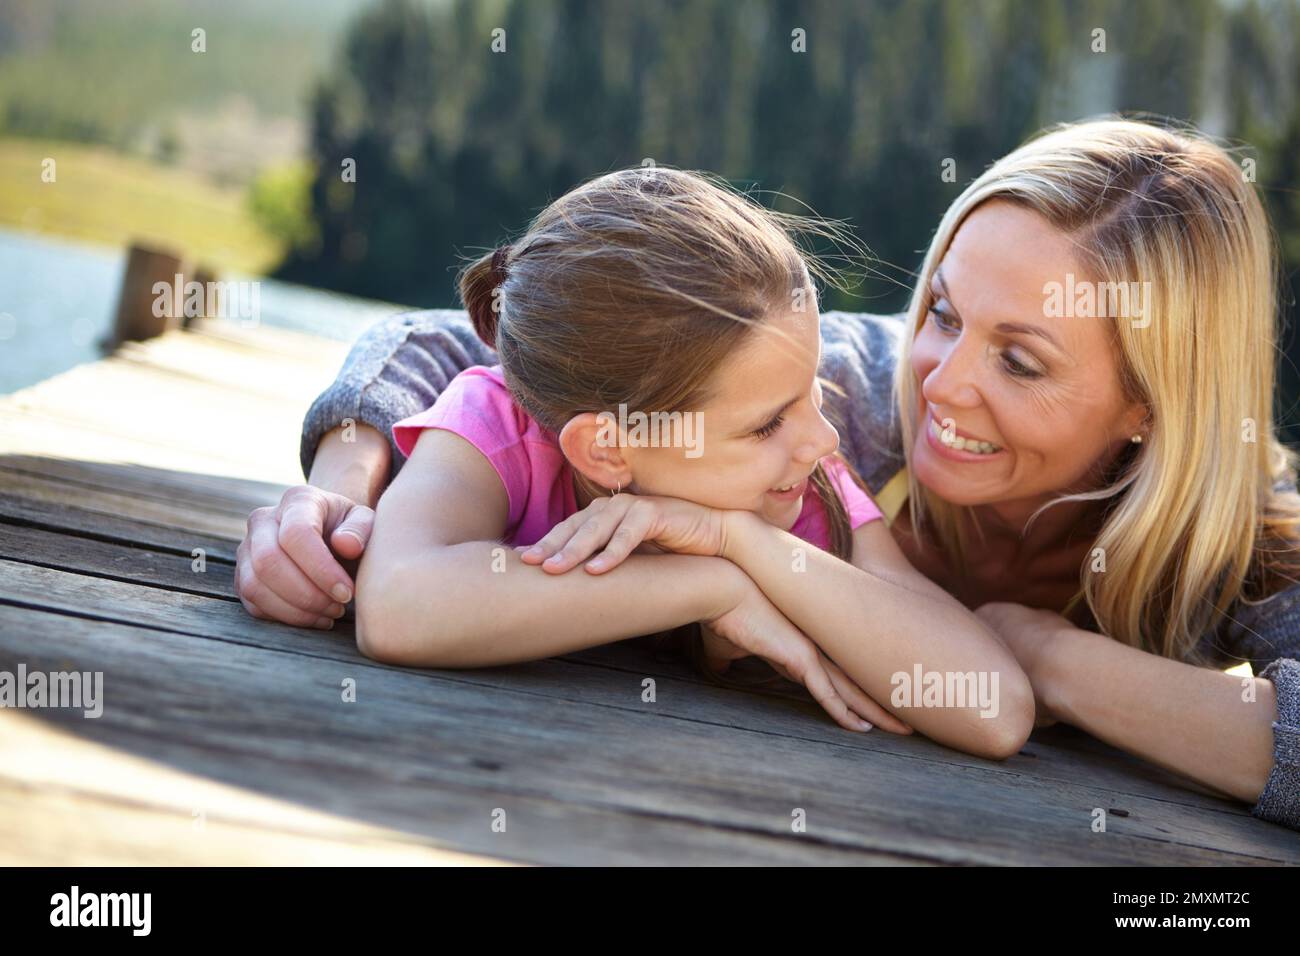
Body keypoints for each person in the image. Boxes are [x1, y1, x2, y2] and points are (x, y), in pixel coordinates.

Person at [238, 118, 1300, 828]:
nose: (937, 383)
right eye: (939, 309)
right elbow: (482, 336)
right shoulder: (828, 384)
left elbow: (992, 704)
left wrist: (1042, 652)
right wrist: (343, 487)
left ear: (1150, 405)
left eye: (1020, 358)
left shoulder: (1242, 543)